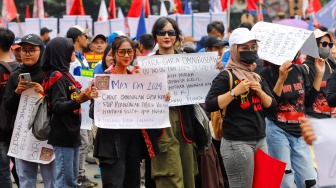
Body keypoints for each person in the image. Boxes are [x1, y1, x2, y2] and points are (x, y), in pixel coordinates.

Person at [205, 28, 276, 187]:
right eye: (244, 48)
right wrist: (234, 92)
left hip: (260, 140)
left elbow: (273, 106)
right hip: (237, 143)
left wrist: (260, 92)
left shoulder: (256, 75)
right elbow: (209, 104)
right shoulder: (226, 76)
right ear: (235, 51)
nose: (250, 51)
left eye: (253, 47)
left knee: (263, 185)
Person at [91, 36, 162, 188]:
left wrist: (162, 97)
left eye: (130, 52)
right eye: (122, 52)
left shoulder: (137, 77)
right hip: (111, 142)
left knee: (133, 183)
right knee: (114, 184)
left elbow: (148, 106)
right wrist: (97, 99)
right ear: (114, 54)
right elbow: (93, 112)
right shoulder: (104, 78)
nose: (126, 56)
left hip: (133, 140)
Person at [260, 45, 326, 187]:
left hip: (300, 130)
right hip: (277, 130)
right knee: (285, 180)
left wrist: (319, 75)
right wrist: (281, 79)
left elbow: (307, 102)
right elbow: (270, 104)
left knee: (309, 179)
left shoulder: (300, 70)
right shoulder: (267, 73)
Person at [149, 16, 201, 188]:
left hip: (185, 125)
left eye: (171, 32)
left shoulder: (188, 61)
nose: (166, 36)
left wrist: (213, 68)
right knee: (169, 177)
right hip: (162, 126)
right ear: (155, 36)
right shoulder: (146, 65)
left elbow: (204, 85)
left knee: (188, 177)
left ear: (177, 35)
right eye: (161, 32)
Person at [41, 37, 95, 188]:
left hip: (71, 132)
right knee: (64, 180)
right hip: (63, 133)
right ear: (61, 53)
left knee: (71, 180)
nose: (74, 51)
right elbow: (57, 106)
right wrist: (78, 100)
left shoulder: (65, 74)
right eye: (70, 49)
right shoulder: (57, 77)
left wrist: (85, 93)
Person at [3, 34, 56, 188]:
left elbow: (59, 103)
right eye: (24, 50)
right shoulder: (15, 76)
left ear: (41, 51)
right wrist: (17, 92)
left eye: (32, 50)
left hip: (46, 136)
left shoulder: (50, 74)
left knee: (51, 180)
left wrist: (44, 92)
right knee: (25, 180)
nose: (27, 53)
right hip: (22, 136)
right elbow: (7, 106)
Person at [66, 25, 98, 187]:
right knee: (82, 141)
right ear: (78, 38)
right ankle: (77, 176)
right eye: (85, 36)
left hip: (84, 105)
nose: (87, 39)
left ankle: (80, 174)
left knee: (84, 142)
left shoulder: (82, 57)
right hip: (76, 104)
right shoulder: (70, 58)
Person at [0, 28, 21, 188]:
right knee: (22, 172)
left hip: (1, 128)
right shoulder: (22, 70)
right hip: (20, 126)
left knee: (2, 172)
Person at [303, 29, 335, 119]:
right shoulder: (305, 68)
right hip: (313, 118)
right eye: (324, 44)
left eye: (330, 45)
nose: (327, 47)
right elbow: (307, 101)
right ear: (314, 45)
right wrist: (319, 75)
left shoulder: (329, 65)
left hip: (330, 118)